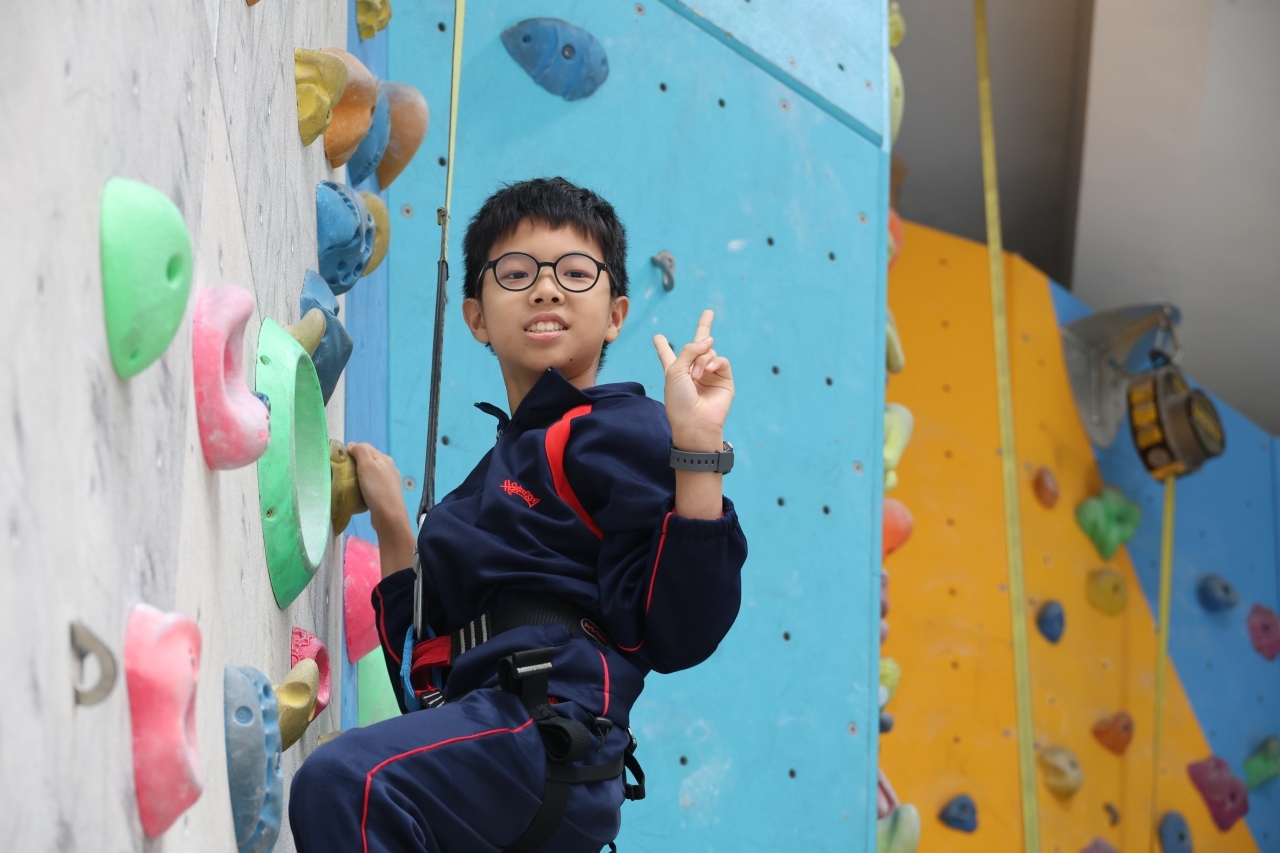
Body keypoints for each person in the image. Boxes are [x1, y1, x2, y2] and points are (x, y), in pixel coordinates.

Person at [290, 177, 748, 853]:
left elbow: (681, 629)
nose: (546, 289)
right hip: (500, 745)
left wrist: (698, 453)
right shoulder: (484, 485)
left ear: (616, 314)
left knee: (346, 781)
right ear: (476, 316)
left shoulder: (620, 428)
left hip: (546, 734)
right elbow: (423, 678)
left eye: (575, 272)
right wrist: (394, 528)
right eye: (515, 273)